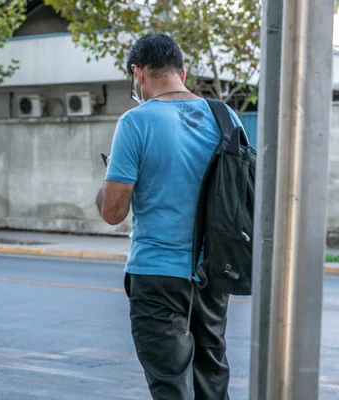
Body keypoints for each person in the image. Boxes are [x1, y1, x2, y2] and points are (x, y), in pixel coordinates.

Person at [96, 33, 243, 400]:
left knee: (171, 386)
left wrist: (111, 174)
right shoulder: (226, 117)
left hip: (158, 274)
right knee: (212, 382)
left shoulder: (136, 122)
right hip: (213, 273)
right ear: (183, 70)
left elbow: (113, 212)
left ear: (137, 73)